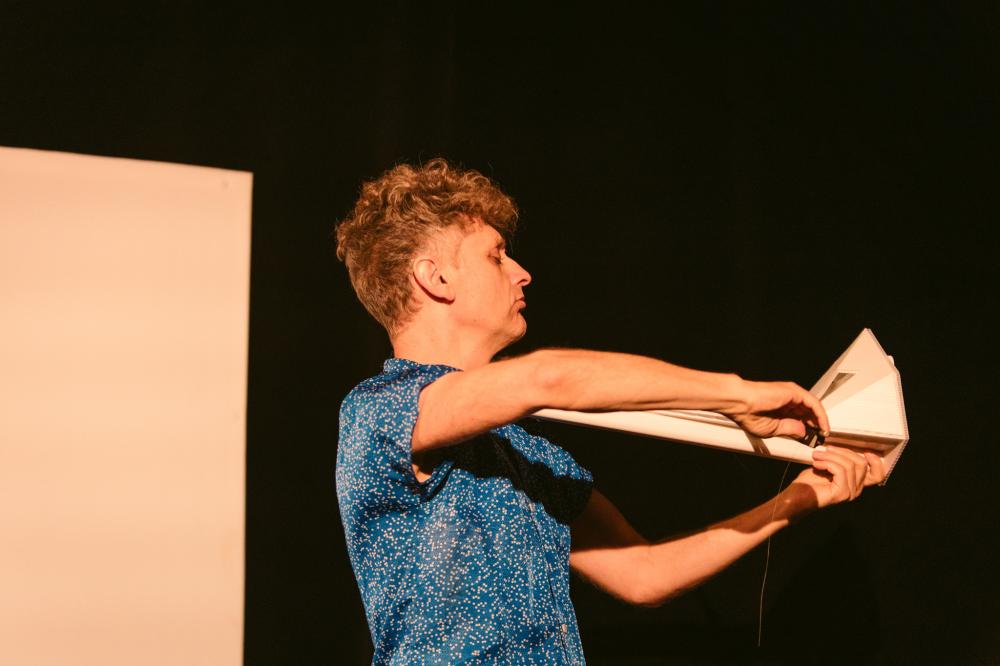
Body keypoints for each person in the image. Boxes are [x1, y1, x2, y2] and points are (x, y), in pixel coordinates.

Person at [334, 159, 883, 665]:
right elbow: (547, 378)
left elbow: (644, 574)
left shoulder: (525, 451)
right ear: (435, 278)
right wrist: (739, 396)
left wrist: (801, 496)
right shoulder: (378, 411)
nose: (521, 272)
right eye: (496, 255)